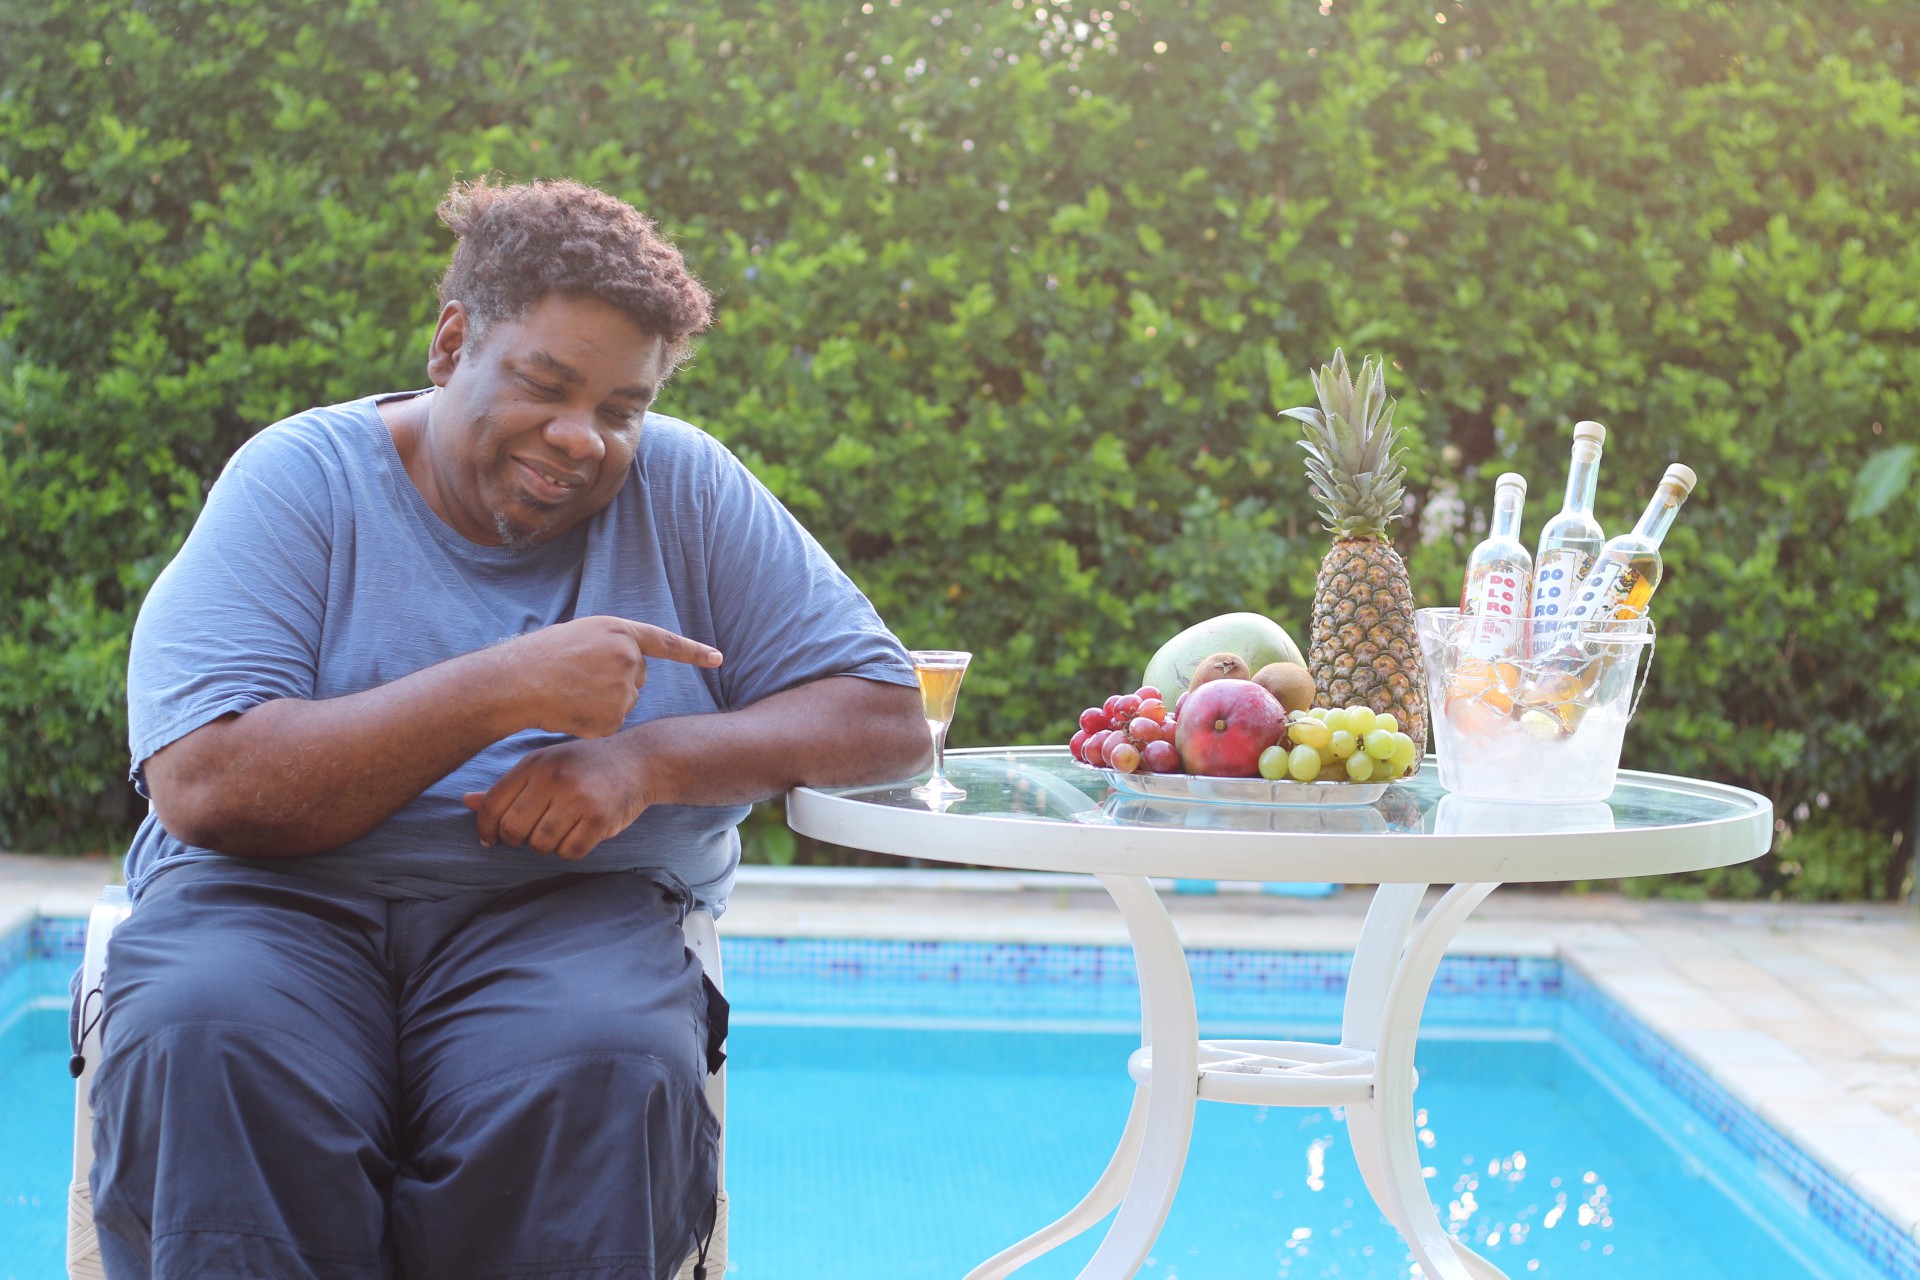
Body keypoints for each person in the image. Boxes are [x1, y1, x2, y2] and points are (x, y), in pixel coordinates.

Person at [87, 177, 932, 1280]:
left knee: (603, 1057)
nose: (582, 436)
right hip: (271, 902)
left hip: (565, 912)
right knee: (206, 1033)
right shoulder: (301, 482)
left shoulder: (688, 488)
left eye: (623, 407)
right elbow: (204, 785)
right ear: (451, 345)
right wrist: (503, 686)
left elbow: (885, 714)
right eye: (546, 384)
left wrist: (646, 760)